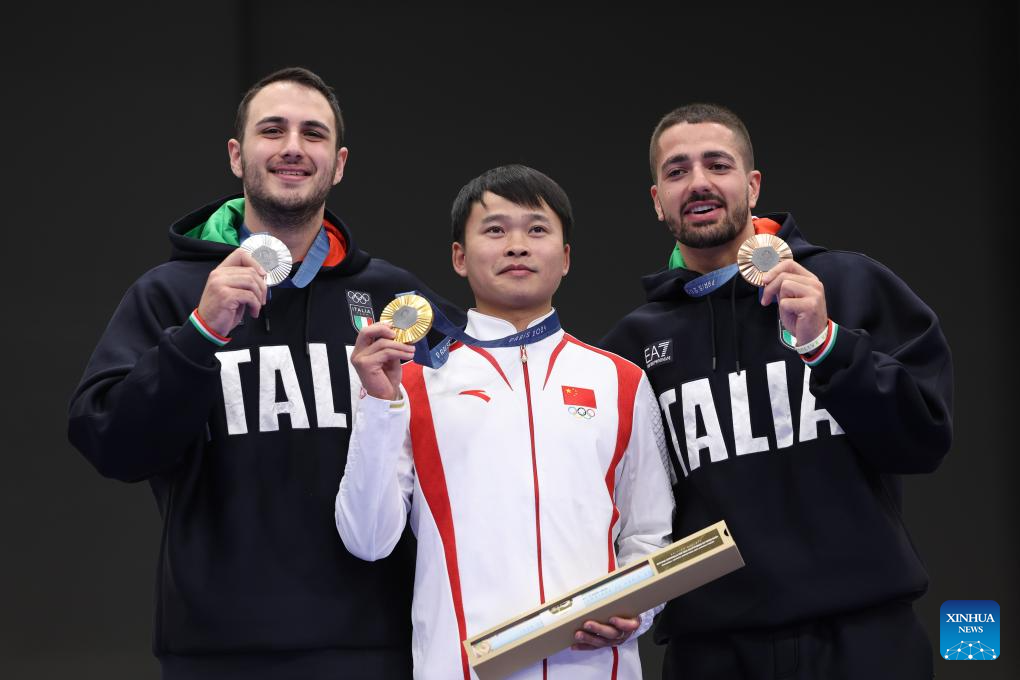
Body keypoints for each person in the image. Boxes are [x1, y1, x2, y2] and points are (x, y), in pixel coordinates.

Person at [67, 66, 458, 679]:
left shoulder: (393, 297)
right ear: (236, 154)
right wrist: (200, 332)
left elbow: (493, 428)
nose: (293, 148)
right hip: (216, 652)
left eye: (313, 134)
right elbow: (112, 445)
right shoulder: (170, 294)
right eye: (272, 130)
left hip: (372, 646)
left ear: (340, 162)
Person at [600, 103, 954, 679]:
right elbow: (619, 512)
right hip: (712, 654)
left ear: (752, 184)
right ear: (657, 199)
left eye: (718, 164)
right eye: (677, 170)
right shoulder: (630, 348)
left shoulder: (847, 283)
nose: (699, 183)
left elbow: (924, 440)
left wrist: (828, 344)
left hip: (864, 642)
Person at [334, 165, 675, 680]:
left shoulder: (620, 381)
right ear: (459, 256)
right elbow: (368, 539)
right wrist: (380, 408)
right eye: (494, 229)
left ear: (565, 259)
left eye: (537, 229)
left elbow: (649, 533)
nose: (517, 244)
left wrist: (637, 608)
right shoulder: (412, 385)